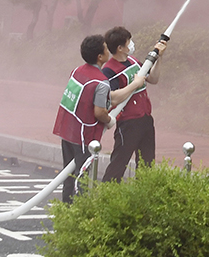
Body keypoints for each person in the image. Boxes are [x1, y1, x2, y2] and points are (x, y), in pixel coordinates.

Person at [51, 33, 154, 203]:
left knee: (68, 174)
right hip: (83, 136)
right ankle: (81, 212)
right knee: (82, 176)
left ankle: (66, 210)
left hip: (67, 130)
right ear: (100, 56)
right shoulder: (101, 82)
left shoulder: (77, 71)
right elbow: (99, 111)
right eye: (106, 49)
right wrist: (109, 120)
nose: (109, 51)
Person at [100, 26, 164, 182]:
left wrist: (159, 58)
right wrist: (134, 85)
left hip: (145, 119)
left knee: (147, 165)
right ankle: (108, 195)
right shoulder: (109, 70)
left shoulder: (134, 61)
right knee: (118, 164)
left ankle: (143, 196)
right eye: (129, 42)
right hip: (127, 123)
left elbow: (153, 79)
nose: (132, 44)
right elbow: (112, 97)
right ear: (120, 48)